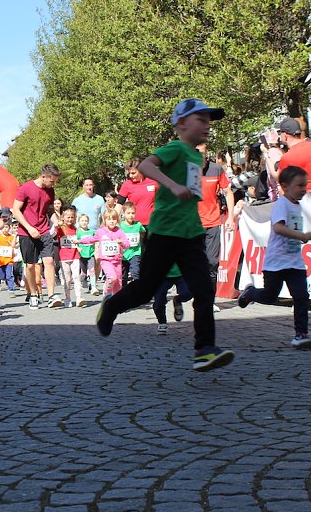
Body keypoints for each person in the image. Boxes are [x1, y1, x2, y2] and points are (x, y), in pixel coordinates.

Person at [95, 98, 235, 372]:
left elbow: (192, 192)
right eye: (201, 120)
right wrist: (172, 185)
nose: (207, 125)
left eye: (209, 121)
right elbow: (147, 166)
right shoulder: (175, 149)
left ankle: (204, 349)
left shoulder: (196, 156)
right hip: (165, 232)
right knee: (145, 289)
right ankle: (111, 307)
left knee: (205, 289)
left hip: (191, 233)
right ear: (182, 123)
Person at [238, 166, 311, 349]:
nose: (303, 189)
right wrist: (302, 236)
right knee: (269, 296)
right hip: (276, 262)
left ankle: (301, 334)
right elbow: (278, 228)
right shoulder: (282, 204)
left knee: (301, 296)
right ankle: (251, 293)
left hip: (295, 263)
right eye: (299, 186)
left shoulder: (298, 205)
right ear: (284, 186)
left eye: (305, 185)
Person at [12, 163, 63, 309]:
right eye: (52, 181)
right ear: (43, 176)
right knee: (30, 266)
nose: (53, 184)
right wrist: (29, 228)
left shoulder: (50, 191)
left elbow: (49, 211)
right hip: (26, 232)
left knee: (49, 261)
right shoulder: (26, 188)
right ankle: (34, 295)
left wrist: (56, 221)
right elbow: (16, 210)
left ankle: (51, 296)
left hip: (44, 231)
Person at [198, 153, 235, 290]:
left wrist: (230, 217)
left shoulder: (216, 169)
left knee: (212, 262)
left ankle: (209, 300)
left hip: (213, 221)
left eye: (202, 154)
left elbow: (228, 192)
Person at [76, 208, 129, 298]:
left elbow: (127, 244)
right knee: (112, 278)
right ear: (105, 220)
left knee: (118, 284)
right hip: (106, 260)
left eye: (114, 219)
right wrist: (80, 241)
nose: (111, 221)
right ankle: (107, 291)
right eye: (109, 219)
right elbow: (92, 239)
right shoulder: (101, 231)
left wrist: (121, 243)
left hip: (117, 261)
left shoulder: (119, 232)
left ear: (117, 220)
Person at [270, 118, 311, 190]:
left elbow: (279, 178)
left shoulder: (287, 157)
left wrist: (266, 154)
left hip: (305, 195)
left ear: (285, 135)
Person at [54, 206, 85, 307]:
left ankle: (79, 297)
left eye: (72, 217)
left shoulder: (76, 229)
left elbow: (79, 240)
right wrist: (57, 225)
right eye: (68, 217)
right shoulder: (60, 229)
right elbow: (52, 233)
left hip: (75, 256)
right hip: (63, 257)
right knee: (67, 279)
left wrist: (79, 246)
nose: (70, 219)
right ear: (63, 217)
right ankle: (67, 298)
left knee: (76, 277)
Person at [117, 158, 158, 227]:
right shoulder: (127, 184)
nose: (130, 176)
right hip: (134, 225)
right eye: (129, 173)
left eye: (133, 173)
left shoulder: (154, 182)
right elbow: (119, 205)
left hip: (153, 224)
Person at [119, 202, 145, 285]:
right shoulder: (120, 226)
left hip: (135, 252)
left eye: (133, 213)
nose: (131, 215)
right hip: (123, 254)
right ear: (123, 213)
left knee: (135, 272)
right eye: (128, 213)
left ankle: (139, 290)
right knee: (123, 276)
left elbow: (143, 232)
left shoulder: (138, 225)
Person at [76, 213, 99, 295]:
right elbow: (74, 242)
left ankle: (93, 287)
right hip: (81, 255)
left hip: (90, 254)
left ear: (88, 222)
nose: (84, 222)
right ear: (78, 222)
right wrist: (77, 248)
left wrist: (96, 251)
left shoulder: (91, 232)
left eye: (86, 221)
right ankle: (81, 281)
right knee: (83, 273)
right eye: (82, 221)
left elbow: (95, 241)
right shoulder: (78, 232)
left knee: (92, 270)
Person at [0, 220, 17, 292]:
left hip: (9, 260)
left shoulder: (11, 237)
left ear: (9, 228)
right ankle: (3, 280)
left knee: (9, 275)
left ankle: (11, 289)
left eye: (6, 227)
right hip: (0, 260)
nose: (5, 229)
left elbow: (13, 246)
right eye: (3, 227)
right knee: (2, 276)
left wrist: (14, 238)